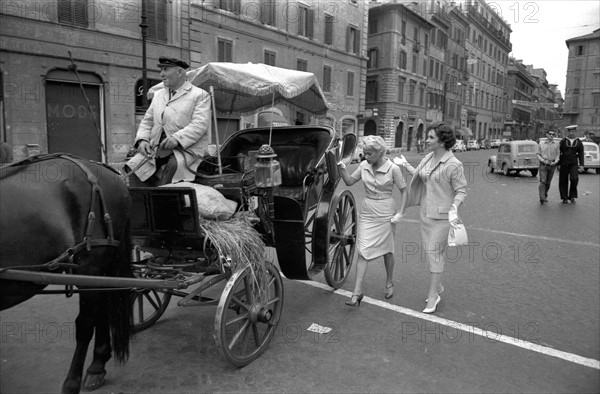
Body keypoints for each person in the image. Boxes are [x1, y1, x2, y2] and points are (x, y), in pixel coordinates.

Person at [394, 124, 467, 314]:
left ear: (442, 141)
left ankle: (433, 296)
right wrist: (405, 165)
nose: (426, 140)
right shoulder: (428, 157)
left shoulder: (454, 164)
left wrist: (454, 207)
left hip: (443, 217)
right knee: (430, 253)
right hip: (425, 214)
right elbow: (421, 175)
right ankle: (438, 287)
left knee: (435, 254)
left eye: (431, 137)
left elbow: (461, 190)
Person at [336, 135, 407, 307]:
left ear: (380, 152)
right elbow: (349, 181)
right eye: (364, 153)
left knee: (387, 250)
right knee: (363, 250)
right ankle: (356, 292)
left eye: (369, 154)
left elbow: (404, 191)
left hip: (386, 212)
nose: (365, 157)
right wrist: (341, 168)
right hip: (368, 212)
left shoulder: (393, 169)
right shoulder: (363, 166)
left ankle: (389, 281)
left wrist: (401, 212)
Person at [126, 56, 211, 185]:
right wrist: (142, 140)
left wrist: (176, 138)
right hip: (157, 149)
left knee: (172, 169)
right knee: (133, 167)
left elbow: (199, 124)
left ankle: (163, 202)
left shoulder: (200, 95)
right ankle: (140, 202)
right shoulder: (158, 95)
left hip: (186, 150)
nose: (161, 74)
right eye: (161, 70)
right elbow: (147, 121)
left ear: (180, 72)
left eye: (165, 70)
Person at [558, 125, 584, 204]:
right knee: (563, 180)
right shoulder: (563, 141)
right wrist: (558, 164)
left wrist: (582, 165)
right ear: (568, 132)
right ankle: (564, 197)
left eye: (573, 131)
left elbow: (581, 154)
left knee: (574, 179)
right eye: (570, 131)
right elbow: (559, 152)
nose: (571, 133)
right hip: (564, 162)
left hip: (574, 163)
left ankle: (572, 196)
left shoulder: (579, 142)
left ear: (575, 132)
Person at [536, 130, 560, 204]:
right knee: (543, 181)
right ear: (547, 134)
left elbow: (558, 154)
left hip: (552, 164)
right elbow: (537, 154)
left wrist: (555, 162)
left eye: (553, 134)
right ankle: (542, 197)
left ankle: (545, 194)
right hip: (543, 164)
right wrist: (543, 161)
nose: (551, 135)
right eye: (550, 134)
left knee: (548, 182)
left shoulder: (556, 144)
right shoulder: (541, 143)